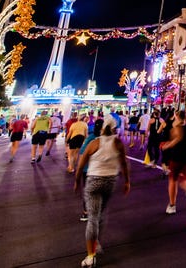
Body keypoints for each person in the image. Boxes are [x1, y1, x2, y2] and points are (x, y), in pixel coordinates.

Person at [74, 114, 130, 267]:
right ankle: (96, 241)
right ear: (114, 129)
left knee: (92, 217)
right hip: (110, 182)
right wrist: (127, 182)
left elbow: (81, 162)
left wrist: (77, 181)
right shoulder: (117, 142)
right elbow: (124, 163)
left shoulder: (95, 142)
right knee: (101, 213)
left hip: (93, 181)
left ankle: (91, 256)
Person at [160, 108, 186, 214]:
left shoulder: (177, 128)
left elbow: (177, 139)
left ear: (177, 117)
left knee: (173, 180)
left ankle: (172, 205)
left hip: (176, 156)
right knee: (185, 179)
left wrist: (167, 146)